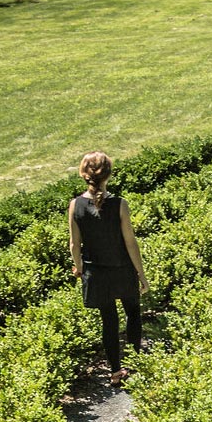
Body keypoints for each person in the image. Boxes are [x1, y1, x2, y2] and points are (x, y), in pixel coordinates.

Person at [68, 152, 148, 386]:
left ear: (84, 175)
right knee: (133, 314)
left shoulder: (75, 205)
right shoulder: (120, 204)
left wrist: (79, 267)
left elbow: (74, 244)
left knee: (108, 320)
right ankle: (135, 364)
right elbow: (130, 242)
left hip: (96, 272)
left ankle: (115, 371)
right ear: (109, 174)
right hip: (122, 268)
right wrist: (141, 275)